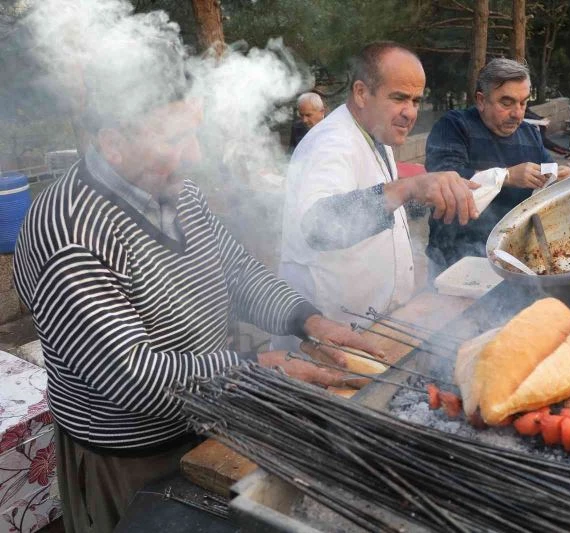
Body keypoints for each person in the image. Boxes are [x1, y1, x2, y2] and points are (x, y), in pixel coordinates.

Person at [13, 44, 379, 533]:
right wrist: (254, 368)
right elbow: (134, 378)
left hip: (207, 417)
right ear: (113, 142)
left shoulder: (174, 189)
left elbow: (236, 270)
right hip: (134, 454)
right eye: (175, 138)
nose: (195, 155)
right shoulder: (70, 232)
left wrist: (307, 320)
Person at [276, 42, 478, 349]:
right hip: (327, 341)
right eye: (399, 98)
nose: (410, 112)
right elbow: (317, 226)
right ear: (361, 93)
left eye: (415, 100)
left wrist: (419, 197)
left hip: (369, 327)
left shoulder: (375, 131)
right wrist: (408, 187)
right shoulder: (330, 144)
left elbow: (375, 201)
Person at [424, 58, 570, 277]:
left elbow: (545, 179)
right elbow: (445, 182)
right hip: (455, 258)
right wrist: (508, 176)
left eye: (523, 103)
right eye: (507, 102)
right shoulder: (455, 126)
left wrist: (557, 178)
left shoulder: (530, 134)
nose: (518, 114)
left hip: (512, 258)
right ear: (481, 100)